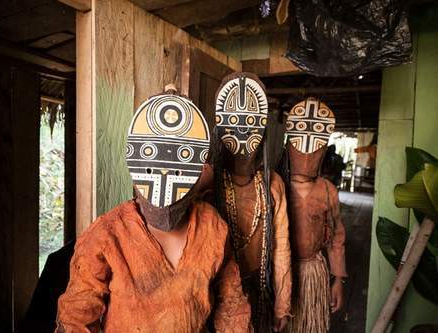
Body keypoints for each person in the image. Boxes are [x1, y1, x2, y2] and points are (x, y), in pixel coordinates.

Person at [55, 89, 252, 333]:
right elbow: (77, 317)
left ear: (199, 168)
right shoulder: (107, 234)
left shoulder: (211, 226)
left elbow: (231, 306)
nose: (165, 173)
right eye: (152, 154)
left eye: (182, 156)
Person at [210, 72, 292, 332]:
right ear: (219, 127)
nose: (244, 132)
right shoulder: (207, 184)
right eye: (233, 121)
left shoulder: (273, 184)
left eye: (252, 124)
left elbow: (281, 248)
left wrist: (282, 304)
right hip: (215, 296)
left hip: (259, 292)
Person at [281, 97, 347, 333]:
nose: (307, 158)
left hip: (314, 275)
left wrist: (338, 280)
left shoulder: (327, 190)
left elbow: (337, 237)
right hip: (282, 275)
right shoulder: (276, 187)